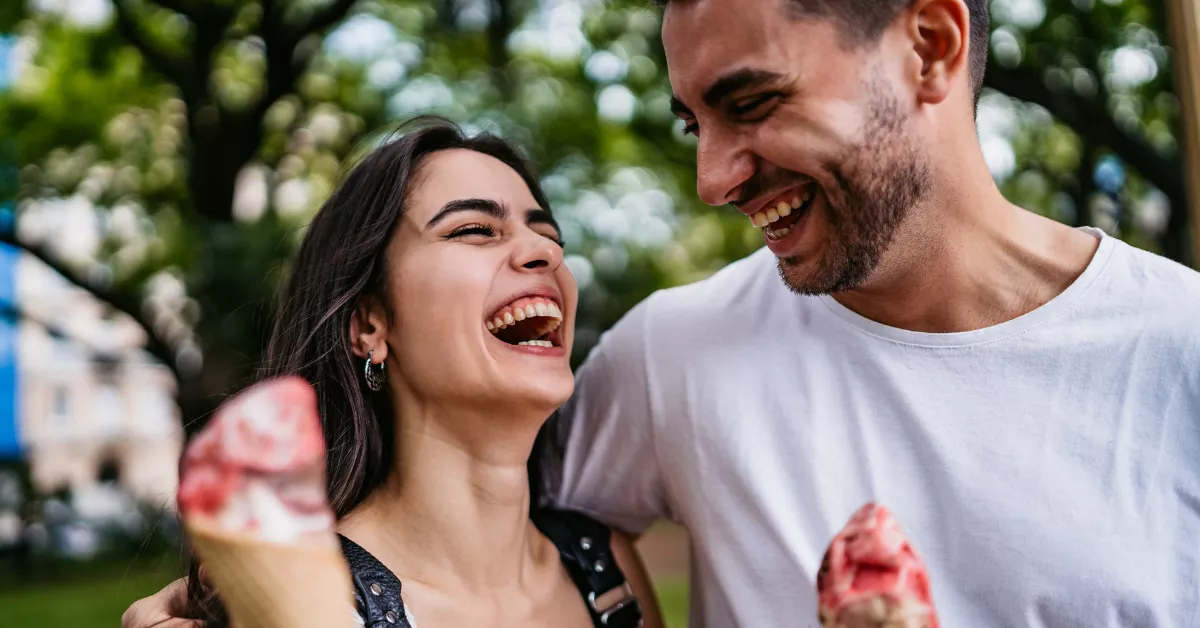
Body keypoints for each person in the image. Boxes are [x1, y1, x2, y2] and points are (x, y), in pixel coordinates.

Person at [128, 0, 1200, 626]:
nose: (712, 177)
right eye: (690, 120)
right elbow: (429, 498)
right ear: (369, 318)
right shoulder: (678, 354)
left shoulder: (1180, 352)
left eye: (750, 102)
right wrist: (216, 593)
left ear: (929, 43)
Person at [126, 119, 663, 628]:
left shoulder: (608, 571)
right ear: (370, 325)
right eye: (475, 229)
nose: (545, 251)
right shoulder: (304, 603)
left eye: (550, 236)